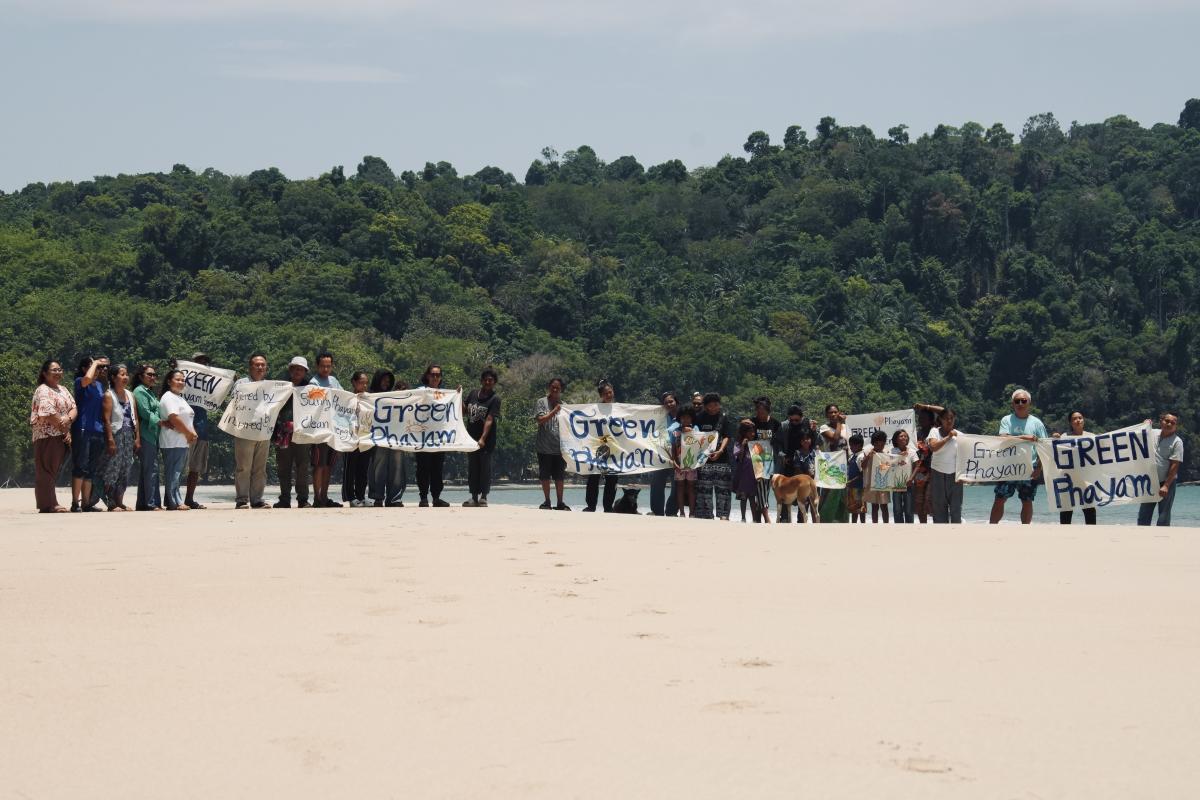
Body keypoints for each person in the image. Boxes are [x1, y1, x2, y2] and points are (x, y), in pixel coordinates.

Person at [990, 389, 1048, 525]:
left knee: (1027, 500)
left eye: (1023, 401)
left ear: (1029, 403)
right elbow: (1003, 438)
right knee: (1000, 498)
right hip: (1008, 466)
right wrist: (1025, 437)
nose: (1020, 404)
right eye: (1017, 401)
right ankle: (992, 527)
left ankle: (1025, 529)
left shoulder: (1037, 423)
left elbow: (1044, 447)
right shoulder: (1006, 420)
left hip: (1030, 467)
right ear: (1013, 404)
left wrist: (1039, 468)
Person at [30, 360, 76, 513]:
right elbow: (48, 413)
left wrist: (68, 419)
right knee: (46, 470)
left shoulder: (63, 389)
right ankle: (49, 504)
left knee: (53, 470)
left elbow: (73, 407)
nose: (58, 373)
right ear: (45, 373)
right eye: (54, 370)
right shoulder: (43, 390)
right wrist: (65, 430)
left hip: (60, 434)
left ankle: (50, 503)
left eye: (59, 370)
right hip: (47, 435)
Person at [98, 363, 140, 511]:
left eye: (126, 374)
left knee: (126, 467)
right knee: (113, 468)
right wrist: (110, 440)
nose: (125, 377)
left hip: (129, 434)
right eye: (122, 374)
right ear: (113, 377)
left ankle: (119, 501)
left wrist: (137, 438)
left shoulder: (130, 395)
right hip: (116, 434)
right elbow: (106, 420)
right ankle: (111, 502)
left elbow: (135, 418)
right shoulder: (109, 395)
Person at [233, 354, 272, 509]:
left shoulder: (271, 386)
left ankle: (257, 500)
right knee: (243, 467)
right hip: (244, 431)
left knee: (260, 468)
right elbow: (235, 402)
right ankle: (242, 499)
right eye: (257, 364)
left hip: (263, 431)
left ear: (266, 367)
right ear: (250, 367)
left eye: (263, 364)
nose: (260, 367)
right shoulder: (241, 383)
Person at [273, 356, 312, 509]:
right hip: (283, 433)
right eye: (295, 368)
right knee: (283, 467)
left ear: (305, 372)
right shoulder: (281, 387)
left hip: (303, 433)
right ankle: (285, 499)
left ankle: (303, 499)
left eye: (300, 369)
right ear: (290, 370)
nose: (297, 371)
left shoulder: (311, 389)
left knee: (303, 467)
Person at [71, 356, 109, 512]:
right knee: (81, 466)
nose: (99, 370)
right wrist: (96, 362)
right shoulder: (80, 381)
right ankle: (75, 503)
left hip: (97, 430)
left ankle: (86, 503)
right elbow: (87, 379)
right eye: (96, 367)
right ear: (84, 368)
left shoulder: (99, 385)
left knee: (91, 469)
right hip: (82, 428)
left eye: (101, 367)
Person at [158, 369, 197, 511]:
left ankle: (172, 500)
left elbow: (187, 418)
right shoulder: (169, 397)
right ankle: (175, 501)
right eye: (177, 379)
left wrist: (192, 433)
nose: (181, 382)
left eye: (182, 380)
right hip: (172, 441)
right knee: (173, 473)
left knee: (178, 472)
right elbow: (174, 418)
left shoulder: (179, 398)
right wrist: (188, 433)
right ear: (169, 382)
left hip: (182, 441)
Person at [368, 371, 408, 507]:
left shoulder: (394, 398)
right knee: (378, 466)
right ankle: (377, 497)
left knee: (397, 467)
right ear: (377, 379)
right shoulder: (369, 396)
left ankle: (394, 498)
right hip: (379, 437)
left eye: (388, 380)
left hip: (397, 438)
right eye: (383, 379)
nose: (386, 383)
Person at [309, 352, 343, 507]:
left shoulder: (334, 381)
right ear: (317, 366)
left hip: (333, 430)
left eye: (328, 366)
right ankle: (317, 498)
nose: (326, 369)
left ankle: (324, 496)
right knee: (319, 465)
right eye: (323, 366)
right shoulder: (313, 382)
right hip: (320, 431)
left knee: (329, 465)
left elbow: (343, 398)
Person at [463, 367, 501, 507]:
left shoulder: (495, 399)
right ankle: (473, 497)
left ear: (494, 382)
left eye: (490, 380)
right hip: (471, 438)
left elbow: (489, 419)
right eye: (485, 380)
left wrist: (483, 438)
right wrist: (458, 397)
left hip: (487, 440)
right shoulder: (473, 394)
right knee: (473, 468)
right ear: (481, 381)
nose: (487, 382)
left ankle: (483, 497)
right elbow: (464, 411)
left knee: (485, 468)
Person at [693, 392, 735, 520]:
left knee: (723, 490)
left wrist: (720, 450)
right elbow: (694, 435)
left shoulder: (724, 417)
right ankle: (706, 515)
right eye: (710, 405)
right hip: (703, 460)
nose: (713, 408)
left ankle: (723, 515)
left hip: (722, 459)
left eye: (716, 405)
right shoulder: (699, 417)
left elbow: (727, 436)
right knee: (704, 489)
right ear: (705, 406)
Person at [1138, 412, 1184, 527]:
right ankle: (1141, 536)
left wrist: (1166, 485)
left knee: (1164, 516)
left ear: (1176, 426)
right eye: (1167, 421)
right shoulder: (1152, 433)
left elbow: (1175, 464)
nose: (1169, 424)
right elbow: (1136, 438)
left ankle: (1162, 537)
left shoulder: (1177, 442)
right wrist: (1144, 425)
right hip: (1149, 481)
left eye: (1173, 423)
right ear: (1161, 421)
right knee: (1144, 514)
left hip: (1167, 482)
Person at [415, 364, 450, 507]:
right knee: (422, 468)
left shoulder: (445, 394)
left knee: (437, 469)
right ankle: (423, 498)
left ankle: (436, 498)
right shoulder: (420, 391)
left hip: (439, 438)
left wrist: (457, 394)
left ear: (440, 377)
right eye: (433, 374)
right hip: (422, 438)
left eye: (438, 375)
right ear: (427, 376)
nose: (435, 377)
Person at [1053, 411, 1097, 525]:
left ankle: (1093, 533)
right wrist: (1055, 439)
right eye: (1074, 419)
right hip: (1067, 478)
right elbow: (1054, 452)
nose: (1078, 420)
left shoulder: (1091, 437)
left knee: (1089, 509)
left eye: (1080, 418)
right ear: (1070, 422)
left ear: (1084, 420)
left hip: (1086, 479)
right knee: (1066, 510)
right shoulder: (1064, 437)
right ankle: (1065, 533)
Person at [584, 379, 620, 512]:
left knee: (612, 478)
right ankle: (591, 506)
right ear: (601, 395)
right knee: (593, 477)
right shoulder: (595, 410)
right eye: (605, 393)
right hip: (596, 448)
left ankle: (608, 507)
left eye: (610, 392)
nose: (609, 395)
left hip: (614, 449)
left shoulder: (620, 409)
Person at [534, 378, 570, 511]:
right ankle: (547, 501)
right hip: (544, 447)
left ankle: (560, 502)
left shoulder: (565, 406)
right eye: (553, 387)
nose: (555, 390)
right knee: (545, 476)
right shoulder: (541, 402)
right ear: (549, 387)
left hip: (560, 449)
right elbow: (540, 420)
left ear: (561, 390)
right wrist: (554, 411)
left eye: (558, 388)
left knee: (559, 477)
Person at [182, 353, 212, 510]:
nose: (203, 364)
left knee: (195, 468)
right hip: (184, 429)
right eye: (199, 361)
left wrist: (228, 381)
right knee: (178, 467)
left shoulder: (210, 383)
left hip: (201, 429)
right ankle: (171, 499)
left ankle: (189, 499)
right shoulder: (183, 380)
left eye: (205, 362)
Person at [131, 364, 162, 511]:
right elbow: (145, 412)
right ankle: (152, 503)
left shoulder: (150, 392)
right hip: (145, 434)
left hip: (153, 434)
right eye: (149, 374)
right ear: (140, 376)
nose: (152, 377)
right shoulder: (139, 391)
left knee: (148, 469)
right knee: (151, 469)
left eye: (154, 375)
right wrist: (161, 421)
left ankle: (143, 503)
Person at [744, 397, 779, 523]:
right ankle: (767, 518)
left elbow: (779, 440)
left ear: (768, 411)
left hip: (769, 459)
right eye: (758, 412)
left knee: (766, 488)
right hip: (756, 459)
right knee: (761, 487)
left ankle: (758, 519)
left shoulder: (775, 423)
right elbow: (743, 426)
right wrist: (744, 422)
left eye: (763, 412)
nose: (760, 415)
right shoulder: (753, 421)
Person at [340, 370, 371, 507]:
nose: (364, 386)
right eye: (361, 383)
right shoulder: (347, 398)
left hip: (365, 438)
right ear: (354, 382)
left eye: (366, 383)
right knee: (350, 469)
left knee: (363, 469)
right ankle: (350, 496)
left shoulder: (370, 399)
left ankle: (361, 496)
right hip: (350, 438)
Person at [927, 408, 962, 523]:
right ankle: (940, 532)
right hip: (937, 473)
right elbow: (933, 447)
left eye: (952, 418)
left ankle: (955, 531)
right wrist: (948, 437)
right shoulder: (934, 431)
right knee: (939, 507)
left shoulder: (960, 435)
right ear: (941, 419)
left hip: (955, 475)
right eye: (946, 418)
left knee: (956, 507)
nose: (949, 421)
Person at [732, 419, 770, 524]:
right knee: (743, 498)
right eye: (750, 432)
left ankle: (754, 519)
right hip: (743, 476)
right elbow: (739, 458)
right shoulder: (738, 444)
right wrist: (743, 446)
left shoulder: (756, 444)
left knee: (753, 498)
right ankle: (743, 518)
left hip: (753, 475)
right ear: (744, 433)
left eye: (753, 432)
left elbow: (763, 459)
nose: (752, 434)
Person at [649, 391, 680, 516]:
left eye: (671, 401)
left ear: (676, 402)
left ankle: (671, 511)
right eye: (666, 403)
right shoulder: (659, 417)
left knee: (677, 486)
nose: (669, 404)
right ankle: (657, 512)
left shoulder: (684, 417)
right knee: (656, 484)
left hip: (678, 456)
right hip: (661, 455)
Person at [817, 404, 850, 523]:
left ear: (839, 412)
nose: (833, 414)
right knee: (827, 493)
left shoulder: (846, 427)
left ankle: (841, 521)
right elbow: (835, 440)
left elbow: (849, 445)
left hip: (844, 466)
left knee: (842, 495)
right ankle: (822, 520)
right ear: (826, 415)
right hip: (829, 465)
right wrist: (839, 423)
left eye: (835, 412)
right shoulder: (824, 428)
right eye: (830, 412)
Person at [911, 406, 941, 524]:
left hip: (935, 471)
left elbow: (943, 411)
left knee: (932, 500)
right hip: (919, 472)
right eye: (920, 418)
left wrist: (925, 406)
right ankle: (923, 526)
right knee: (919, 502)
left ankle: (936, 525)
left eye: (924, 418)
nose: (921, 420)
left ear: (931, 420)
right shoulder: (916, 434)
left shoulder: (936, 431)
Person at [672, 406, 698, 517]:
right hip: (679, 463)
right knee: (680, 487)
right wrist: (674, 462)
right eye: (683, 418)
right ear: (679, 419)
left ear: (692, 419)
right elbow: (673, 448)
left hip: (692, 464)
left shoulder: (696, 430)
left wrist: (691, 432)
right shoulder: (675, 432)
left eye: (688, 417)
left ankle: (692, 513)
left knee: (691, 487)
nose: (685, 420)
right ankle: (682, 512)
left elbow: (700, 444)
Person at [861, 430, 891, 524]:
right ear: (873, 443)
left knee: (884, 506)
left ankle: (886, 525)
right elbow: (863, 466)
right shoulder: (867, 451)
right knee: (874, 506)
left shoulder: (887, 452)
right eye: (877, 442)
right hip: (871, 483)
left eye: (882, 442)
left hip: (883, 483)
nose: (880, 444)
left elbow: (890, 467)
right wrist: (868, 456)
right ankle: (875, 525)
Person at [889, 429, 918, 524]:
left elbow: (917, 466)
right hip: (896, 484)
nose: (904, 438)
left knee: (909, 510)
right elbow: (887, 464)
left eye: (905, 436)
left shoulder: (912, 452)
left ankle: (909, 529)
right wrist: (898, 456)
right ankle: (899, 529)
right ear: (896, 439)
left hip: (908, 484)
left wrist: (911, 478)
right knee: (897, 509)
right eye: (901, 436)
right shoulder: (892, 451)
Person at [847, 433, 866, 523]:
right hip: (852, 487)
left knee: (861, 510)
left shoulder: (861, 456)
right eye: (850, 445)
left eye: (852, 445)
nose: (850, 447)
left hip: (859, 488)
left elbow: (863, 473)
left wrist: (851, 481)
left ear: (858, 445)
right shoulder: (852, 456)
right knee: (854, 510)